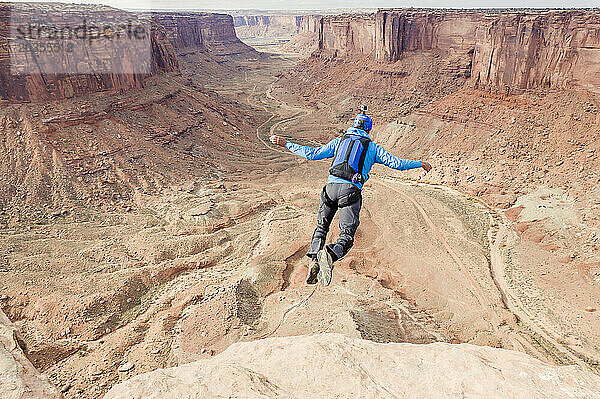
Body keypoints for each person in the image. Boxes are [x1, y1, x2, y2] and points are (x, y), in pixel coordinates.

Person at [270, 106, 432, 286]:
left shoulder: (339, 141)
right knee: (346, 236)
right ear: (369, 130)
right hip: (350, 192)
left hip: (330, 189)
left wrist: (286, 143)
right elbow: (397, 164)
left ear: (352, 126)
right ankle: (330, 255)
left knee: (322, 226)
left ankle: (315, 259)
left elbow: (313, 154)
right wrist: (420, 163)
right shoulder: (372, 147)